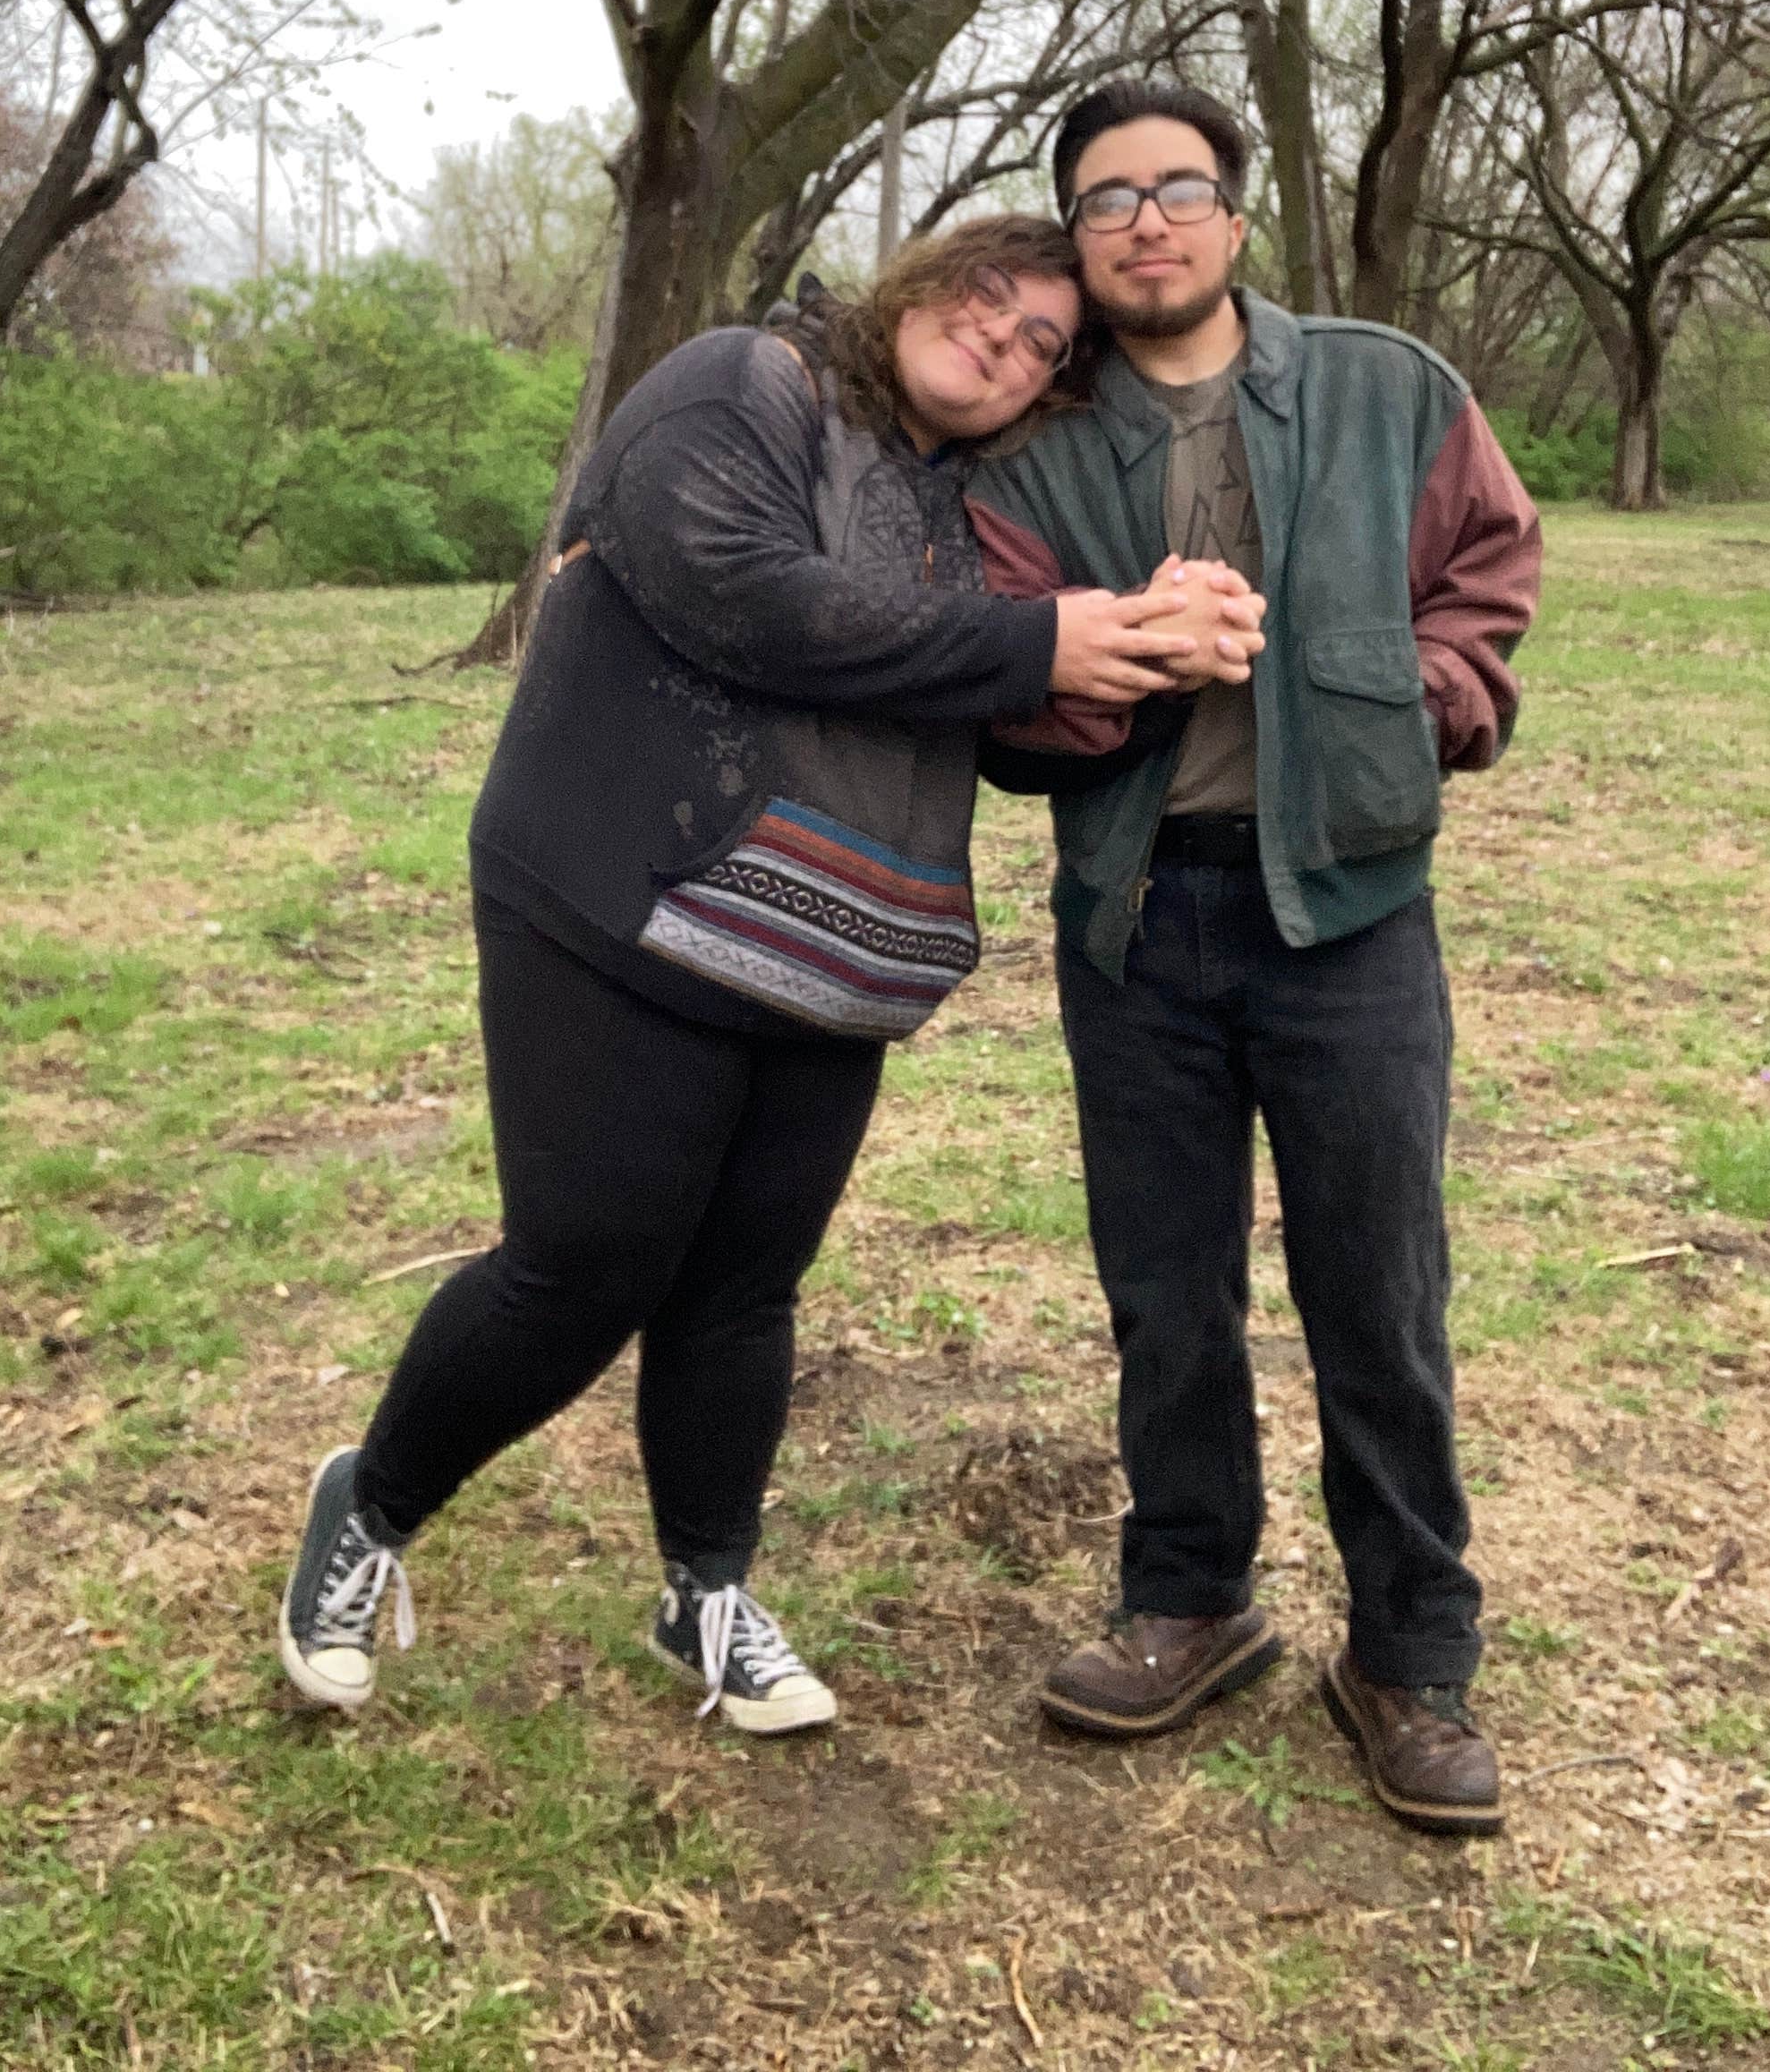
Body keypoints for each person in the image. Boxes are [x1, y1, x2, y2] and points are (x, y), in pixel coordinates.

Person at [276, 212, 1261, 1735]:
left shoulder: (968, 504)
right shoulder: (743, 385)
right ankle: (373, 1507)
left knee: (743, 1287)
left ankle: (706, 1590)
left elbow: (989, 711)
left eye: (1041, 348)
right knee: (583, 1267)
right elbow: (748, 595)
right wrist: (1037, 643)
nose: (1001, 340)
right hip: (626, 894)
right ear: (919, 281)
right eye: (985, 300)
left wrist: (1136, 657)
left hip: (834, 947)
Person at [967, 79, 1541, 1836]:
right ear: (1073, 237)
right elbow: (1000, 679)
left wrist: (1401, 704)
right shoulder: (1035, 450)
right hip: (1138, 916)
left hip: (1348, 913)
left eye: (1176, 185)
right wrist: (1120, 661)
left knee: (1375, 1288)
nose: (1143, 218)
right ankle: (1190, 1596)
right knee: (1165, 1291)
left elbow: (1486, 574)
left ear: (1232, 210)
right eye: (1104, 197)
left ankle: (1406, 1653)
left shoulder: (1385, 386)